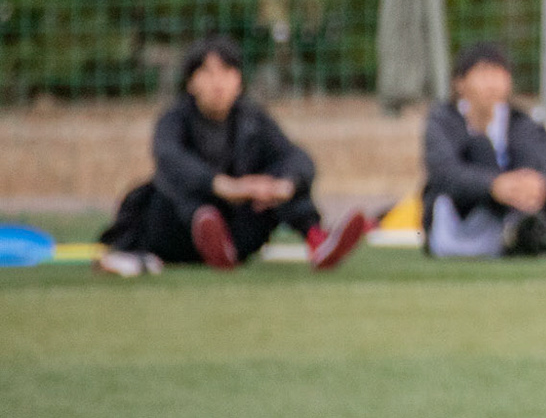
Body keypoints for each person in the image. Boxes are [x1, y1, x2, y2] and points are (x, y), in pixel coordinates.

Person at [97, 36, 368, 276]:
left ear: (238, 81)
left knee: (282, 174)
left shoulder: (253, 120)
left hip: (239, 229)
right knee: (171, 187)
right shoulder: (174, 120)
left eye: (226, 71)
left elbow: (296, 157)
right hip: (178, 232)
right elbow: (170, 159)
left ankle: (316, 239)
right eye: (207, 72)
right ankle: (208, 231)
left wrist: (282, 186)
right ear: (191, 82)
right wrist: (223, 186)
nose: (218, 82)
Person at [422, 42, 546, 257]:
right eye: (483, 74)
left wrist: (539, 185)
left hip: (515, 210)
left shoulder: (522, 122)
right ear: (460, 82)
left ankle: (524, 229)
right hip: (461, 215)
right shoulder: (443, 121)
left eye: (498, 74)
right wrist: (494, 185)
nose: (492, 84)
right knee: (481, 147)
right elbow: (444, 172)